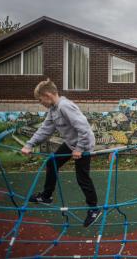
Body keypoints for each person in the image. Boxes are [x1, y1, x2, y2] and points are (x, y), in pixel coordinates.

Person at [21, 79, 100, 228]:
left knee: (82, 177)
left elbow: (84, 128)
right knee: (52, 162)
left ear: (48, 95)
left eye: (40, 99)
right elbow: (45, 129)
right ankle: (46, 196)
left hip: (84, 144)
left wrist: (80, 149)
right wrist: (29, 144)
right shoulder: (53, 110)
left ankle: (94, 209)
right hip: (71, 143)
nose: (40, 103)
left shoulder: (65, 106)